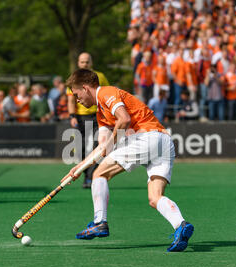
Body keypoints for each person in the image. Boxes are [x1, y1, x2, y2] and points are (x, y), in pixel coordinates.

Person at [63, 68, 194, 252]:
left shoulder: (106, 93)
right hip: (163, 142)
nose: (77, 100)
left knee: (99, 174)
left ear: (85, 88)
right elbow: (102, 148)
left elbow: (123, 120)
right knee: (155, 197)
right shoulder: (101, 114)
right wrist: (80, 167)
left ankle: (99, 222)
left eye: (77, 94)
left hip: (147, 138)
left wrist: (110, 146)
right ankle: (181, 225)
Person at [67, 52, 110, 188]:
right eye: (82, 62)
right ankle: (86, 175)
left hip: (97, 115)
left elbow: (106, 93)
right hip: (81, 118)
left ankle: (92, 177)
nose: (85, 64)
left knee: (97, 146)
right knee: (82, 148)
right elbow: (71, 100)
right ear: (78, 63)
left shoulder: (100, 76)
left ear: (91, 63)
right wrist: (72, 116)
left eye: (87, 62)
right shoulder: (73, 78)